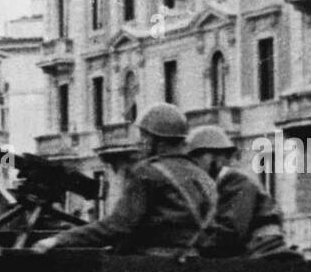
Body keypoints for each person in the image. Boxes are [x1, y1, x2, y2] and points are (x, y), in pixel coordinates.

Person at [34, 103, 217, 257]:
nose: (141, 143)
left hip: (152, 271)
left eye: (145, 137)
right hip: (192, 266)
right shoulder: (201, 175)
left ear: (156, 140)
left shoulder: (148, 172)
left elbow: (117, 225)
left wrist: (59, 239)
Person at [184, 125, 287, 258]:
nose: (192, 168)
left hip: (263, 253)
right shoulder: (223, 181)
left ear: (213, 157)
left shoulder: (235, 180)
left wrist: (190, 244)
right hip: (252, 253)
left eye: (195, 159)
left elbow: (229, 233)